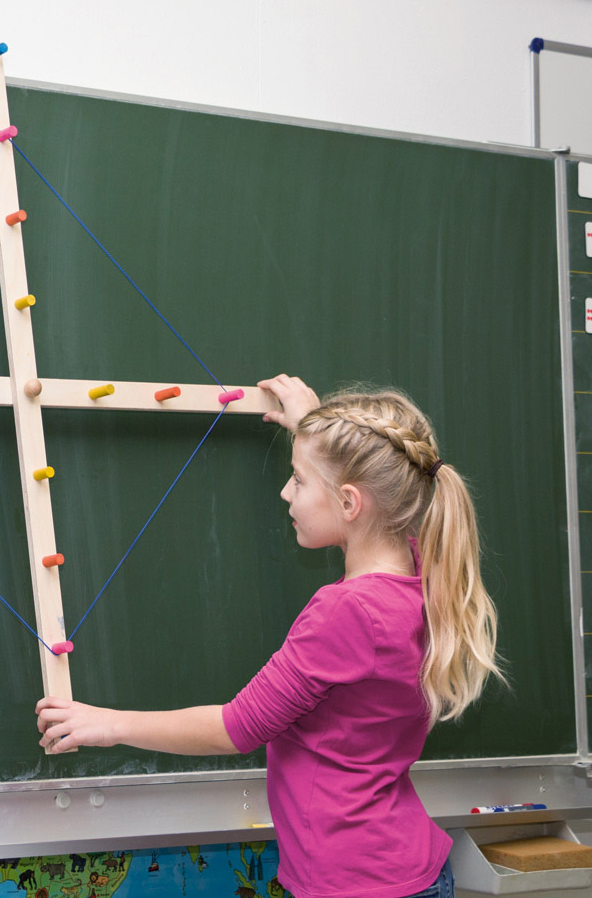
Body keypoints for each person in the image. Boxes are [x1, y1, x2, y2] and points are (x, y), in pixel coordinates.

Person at [35, 374, 503, 898]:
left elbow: (236, 728)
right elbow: (374, 497)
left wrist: (108, 723)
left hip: (354, 884)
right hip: (404, 866)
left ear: (350, 503)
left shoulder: (345, 613)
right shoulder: (422, 576)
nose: (286, 491)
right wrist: (314, 428)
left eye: (298, 480)